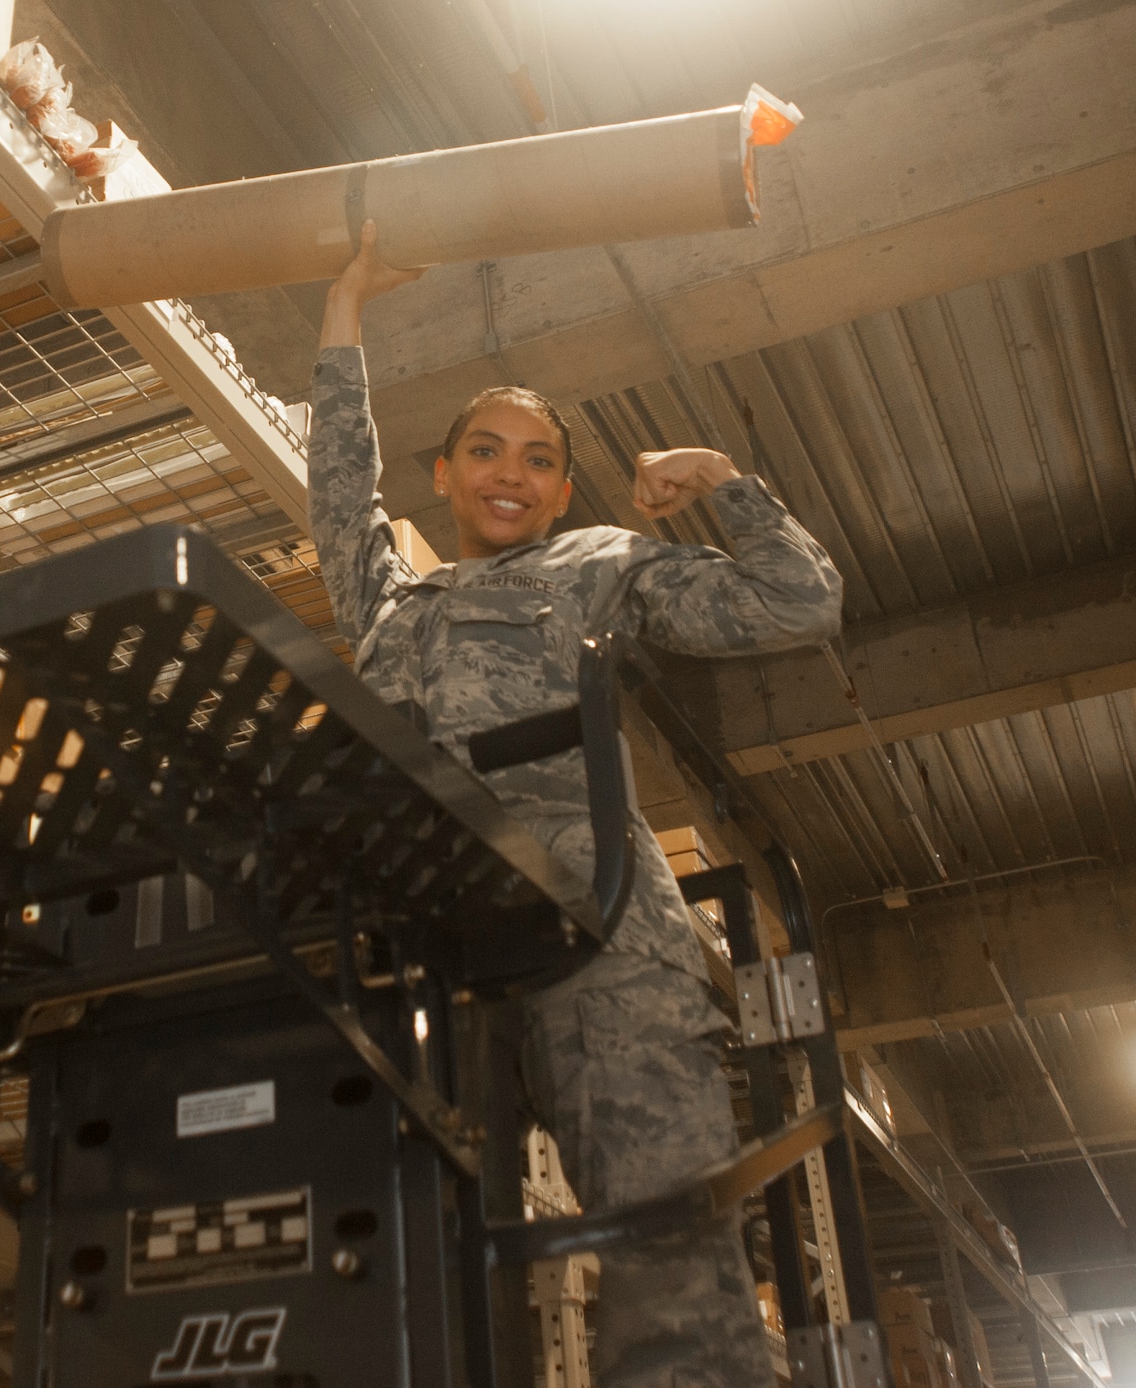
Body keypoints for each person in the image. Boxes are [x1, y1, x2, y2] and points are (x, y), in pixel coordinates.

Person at [310, 222, 843, 1388]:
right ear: (442, 474)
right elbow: (339, 490)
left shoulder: (598, 561)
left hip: (592, 920)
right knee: (416, 1233)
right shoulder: (390, 603)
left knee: (660, 1214)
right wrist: (343, 307)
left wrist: (716, 476)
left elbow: (794, 601)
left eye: (537, 457)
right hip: (435, 939)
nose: (509, 471)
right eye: (483, 450)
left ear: (558, 490)